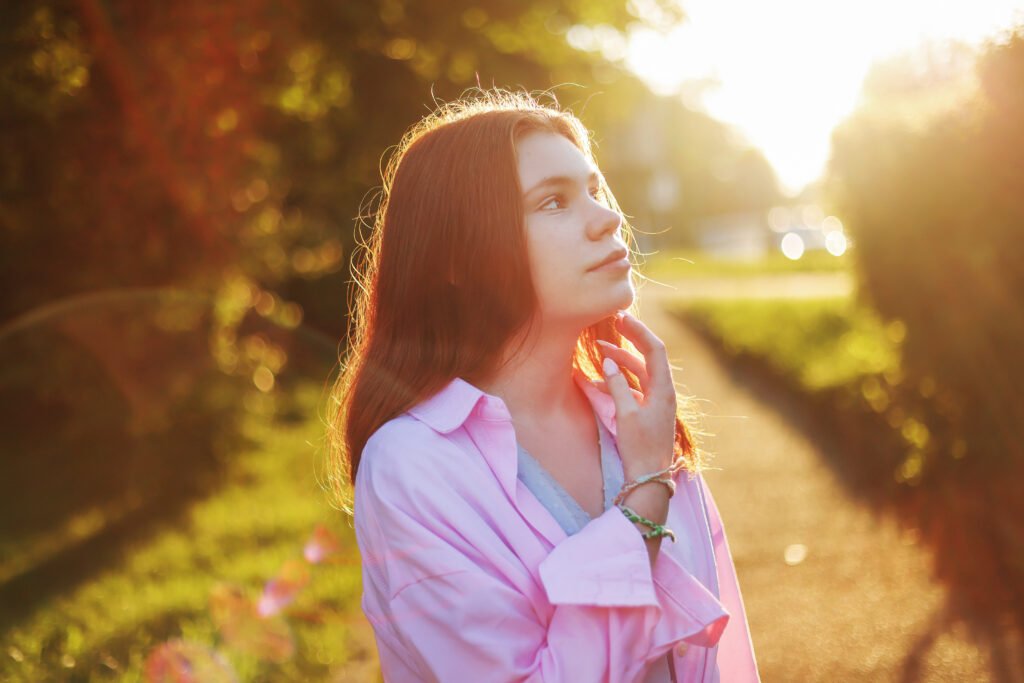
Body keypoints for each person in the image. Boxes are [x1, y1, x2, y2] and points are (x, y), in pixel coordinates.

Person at [327, 87, 759, 682]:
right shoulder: (411, 468)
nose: (608, 218)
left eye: (593, 189)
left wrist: (653, 467)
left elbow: (724, 659)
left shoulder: (634, 422)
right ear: (457, 257)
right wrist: (643, 501)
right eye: (553, 202)